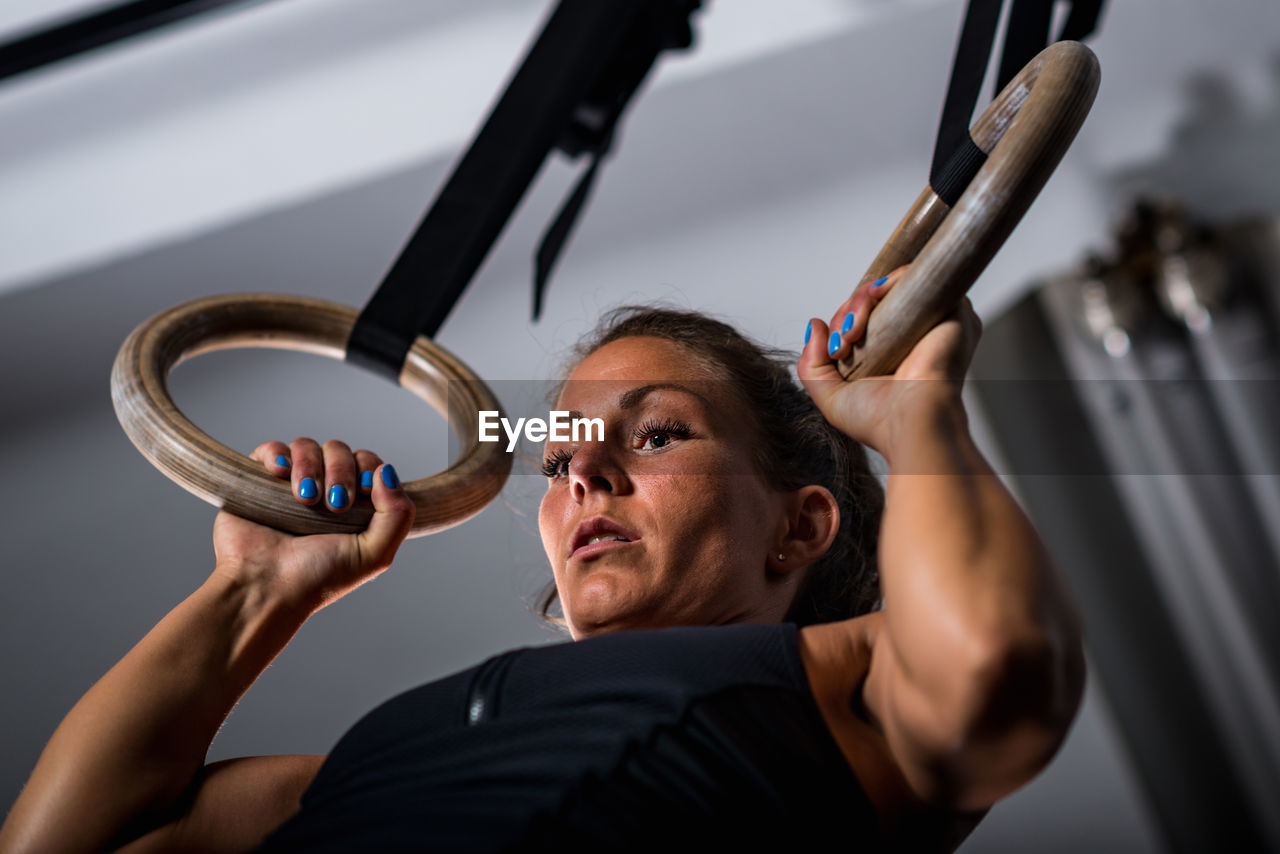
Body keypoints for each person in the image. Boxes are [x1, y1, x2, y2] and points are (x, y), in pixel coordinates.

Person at [0, 268, 1085, 852]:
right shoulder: (378, 760)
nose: (583, 475)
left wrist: (916, 416)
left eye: (656, 432)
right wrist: (251, 591)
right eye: (559, 456)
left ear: (798, 527)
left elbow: (994, 662)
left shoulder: (846, 694)